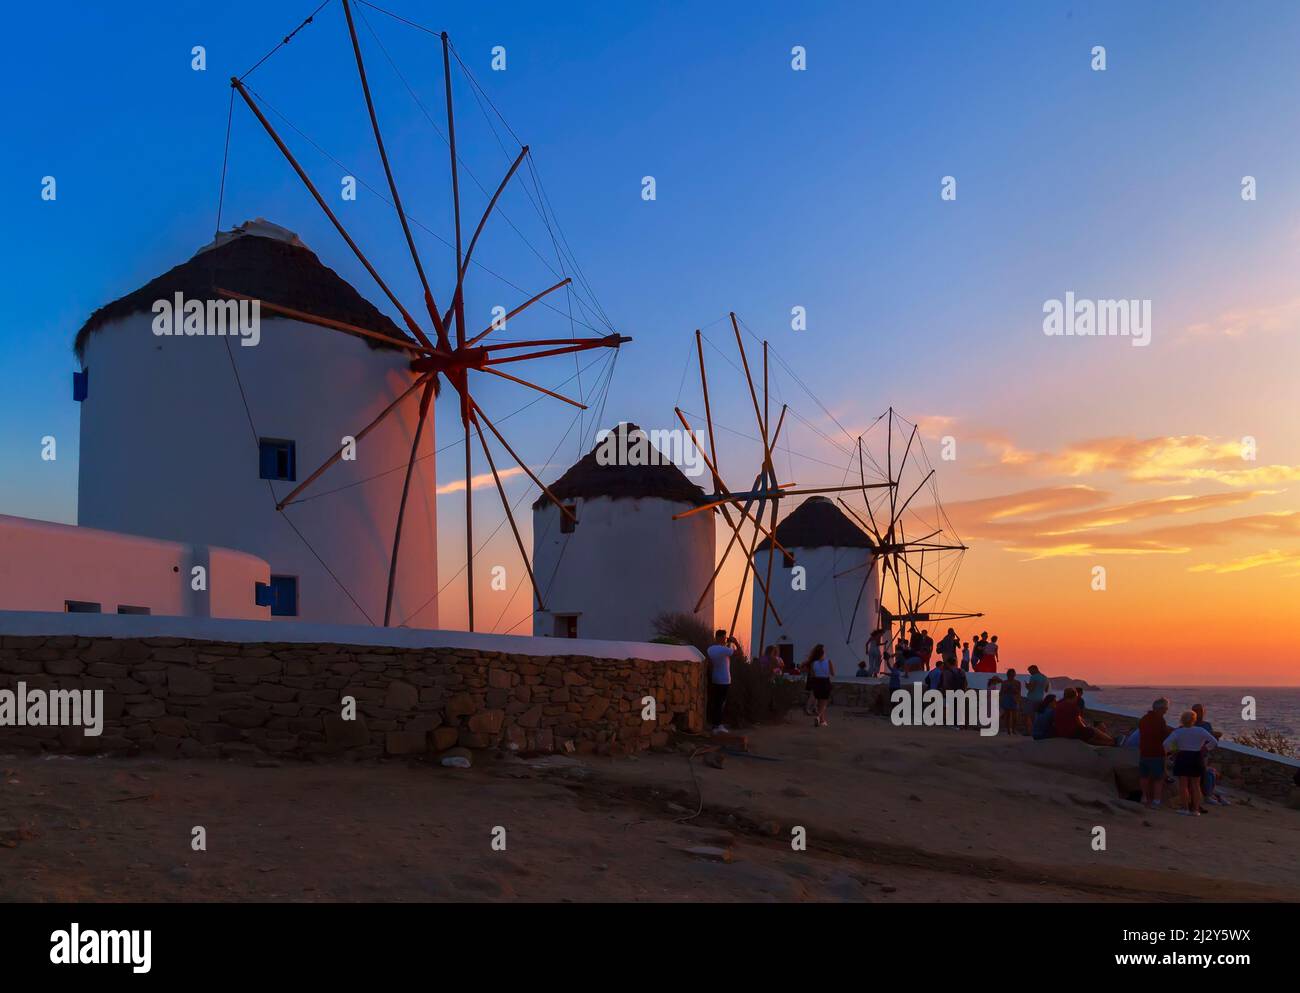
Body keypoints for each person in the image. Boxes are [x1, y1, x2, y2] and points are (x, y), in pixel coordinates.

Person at [1165, 710, 1218, 816]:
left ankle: (1185, 808)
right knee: (1196, 785)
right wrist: (1205, 748)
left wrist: (1174, 750)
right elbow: (1214, 742)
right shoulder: (1200, 730)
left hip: (1183, 757)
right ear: (1194, 719)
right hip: (1197, 757)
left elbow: (1165, 744)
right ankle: (1195, 810)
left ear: (1182, 720)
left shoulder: (1178, 732)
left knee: (1183, 785)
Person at [1137, 698, 1173, 809]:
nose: (1166, 711)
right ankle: (1156, 801)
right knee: (1158, 778)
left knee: (1144, 776)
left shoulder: (1144, 718)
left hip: (1144, 752)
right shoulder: (1159, 720)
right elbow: (1162, 736)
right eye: (1166, 709)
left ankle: (1144, 798)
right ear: (1160, 708)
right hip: (1156, 753)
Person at [705, 629, 739, 734]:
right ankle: (717, 725)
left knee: (716, 703)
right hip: (724, 680)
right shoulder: (724, 650)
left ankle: (715, 724)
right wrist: (735, 642)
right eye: (724, 637)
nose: (725, 639)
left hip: (715, 678)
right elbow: (739, 654)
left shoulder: (710, 649)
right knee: (721, 703)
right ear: (720, 638)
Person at [806, 644, 834, 727]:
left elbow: (812, 675)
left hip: (817, 682)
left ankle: (822, 721)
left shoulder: (813, 663)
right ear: (823, 653)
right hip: (825, 682)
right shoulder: (828, 661)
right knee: (824, 703)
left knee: (819, 703)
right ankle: (818, 717)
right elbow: (832, 673)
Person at [1023, 665, 1049, 729]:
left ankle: (1030, 731)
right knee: (1037, 716)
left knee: (1027, 715)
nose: (1030, 673)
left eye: (1030, 671)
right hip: (1040, 698)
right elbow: (1046, 690)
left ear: (1034, 669)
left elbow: (1031, 688)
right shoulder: (1045, 677)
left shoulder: (1034, 677)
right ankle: (1037, 729)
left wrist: (1027, 686)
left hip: (1031, 698)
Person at [999, 668, 1022, 734]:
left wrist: (1014, 690)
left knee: (1015, 716)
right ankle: (1008, 730)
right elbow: (1002, 692)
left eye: (1012, 674)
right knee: (1007, 715)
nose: (1011, 676)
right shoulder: (1004, 682)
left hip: (1014, 698)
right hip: (1006, 698)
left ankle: (1013, 729)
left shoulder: (1017, 682)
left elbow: (1019, 692)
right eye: (1010, 674)